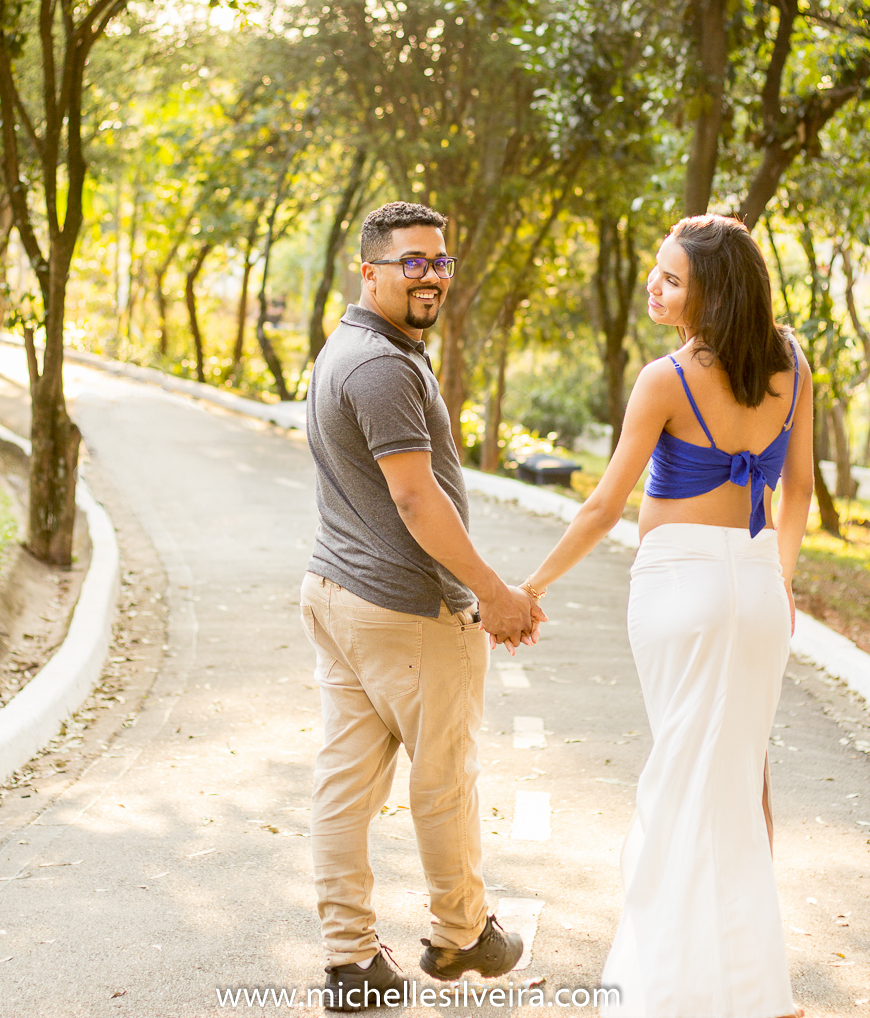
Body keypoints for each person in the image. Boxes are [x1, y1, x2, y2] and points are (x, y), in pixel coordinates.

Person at [517, 214, 813, 1018]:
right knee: (740, 778)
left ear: (713, 294)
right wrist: (778, 579)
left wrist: (531, 587)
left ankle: (667, 988)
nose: (654, 285)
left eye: (672, 279)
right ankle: (754, 987)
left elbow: (603, 506)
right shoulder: (792, 364)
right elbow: (798, 493)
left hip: (680, 589)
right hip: (758, 586)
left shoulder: (667, 378)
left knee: (684, 777)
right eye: (656, 269)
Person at [301, 200, 546, 1011]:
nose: (431, 275)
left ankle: (351, 963)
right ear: (369, 271)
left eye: (440, 261)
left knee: (344, 783)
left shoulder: (350, 347)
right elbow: (414, 498)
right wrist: (493, 594)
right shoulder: (382, 366)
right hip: (406, 609)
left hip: (338, 594)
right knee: (444, 781)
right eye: (412, 262)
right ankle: (460, 935)